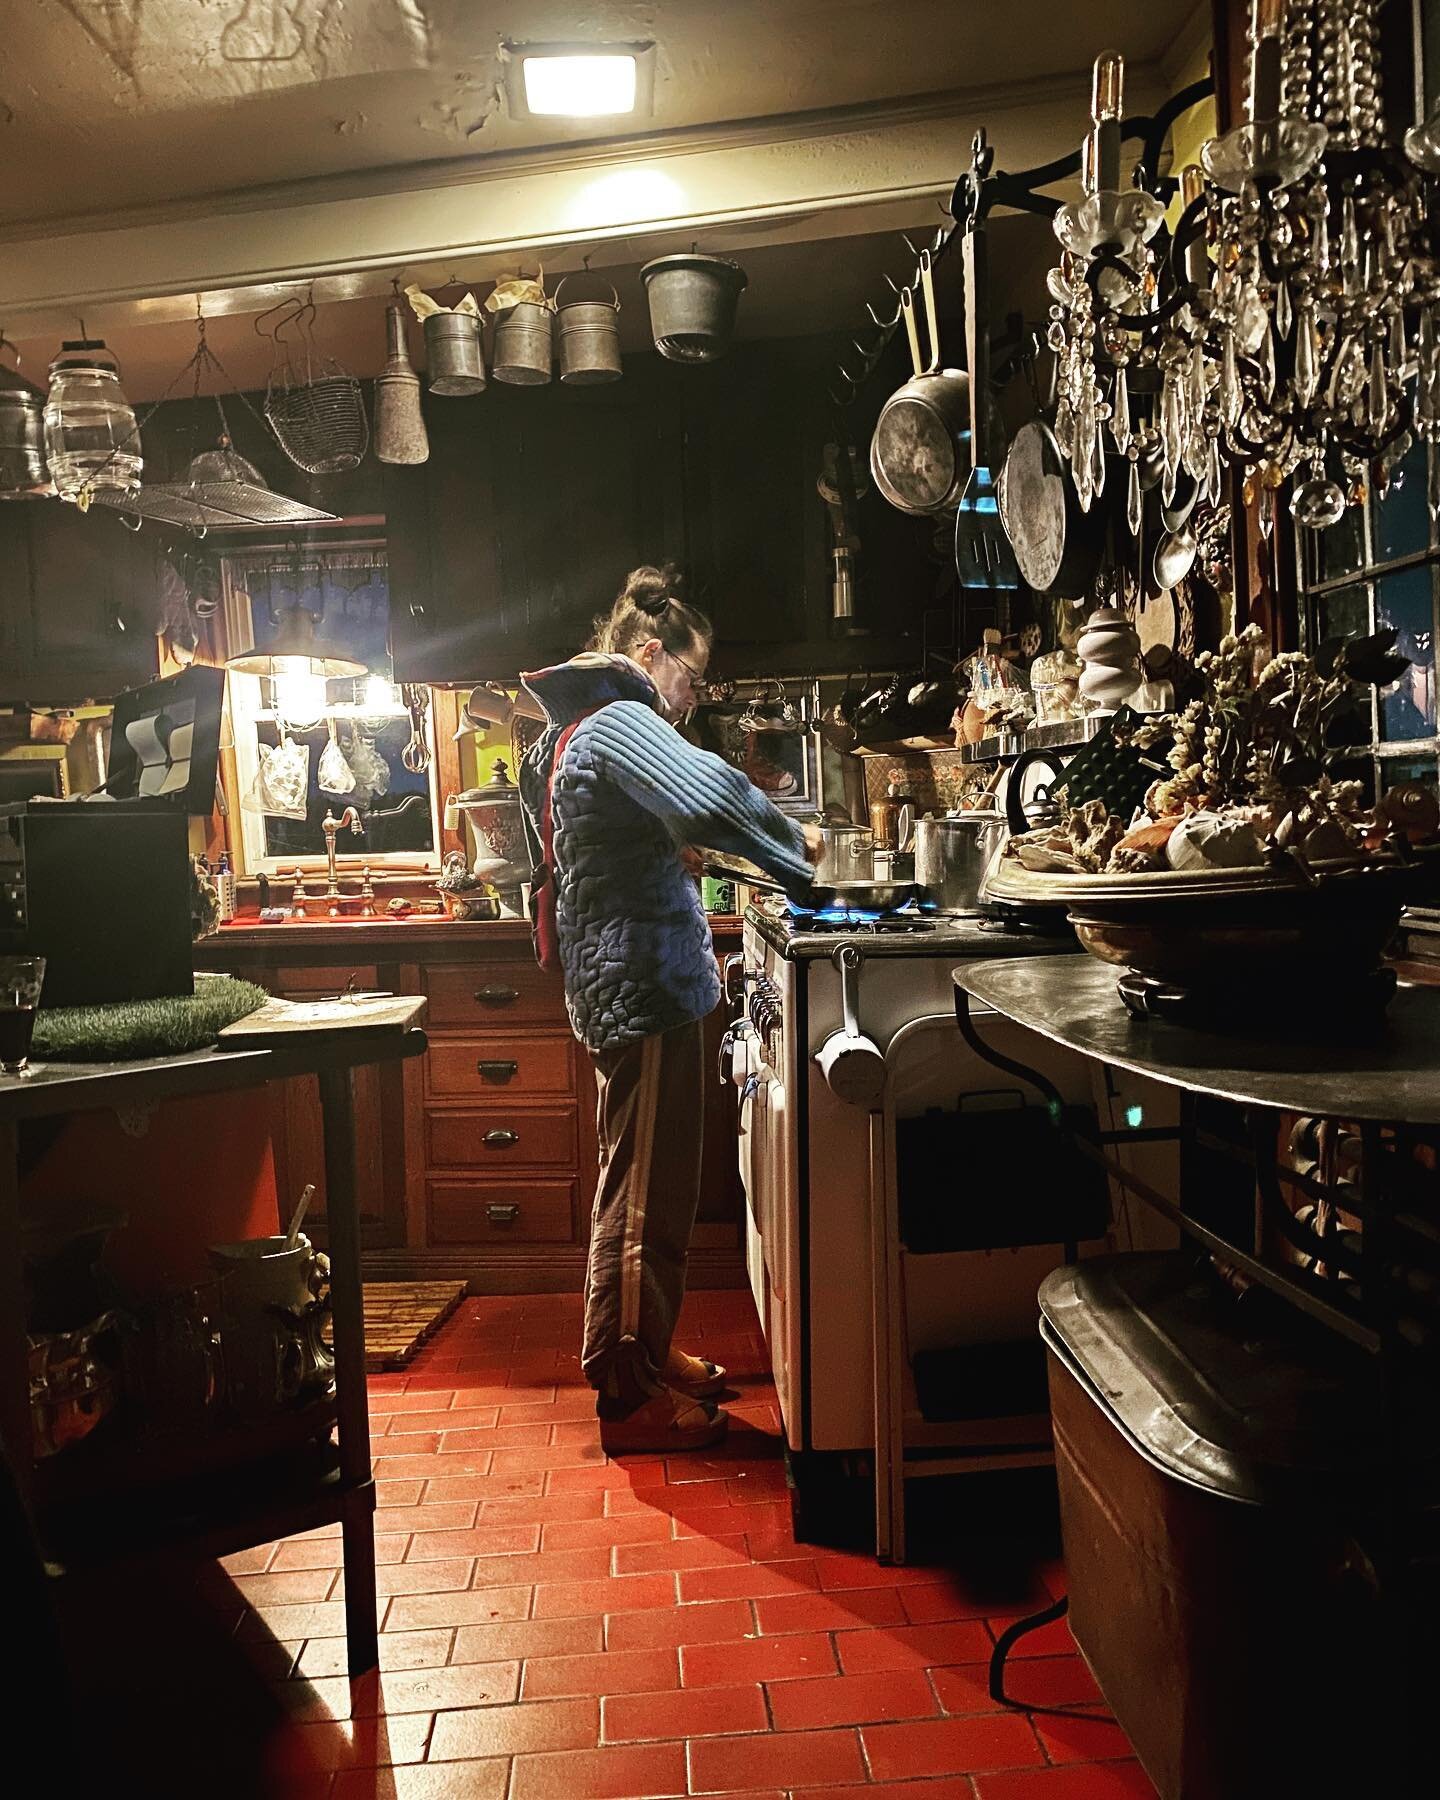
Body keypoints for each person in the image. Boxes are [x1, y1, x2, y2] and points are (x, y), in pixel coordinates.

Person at [519, 566, 821, 1453]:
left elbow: (618, 845)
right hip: (643, 988)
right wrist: (810, 858)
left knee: (655, 1183)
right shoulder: (618, 719)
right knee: (644, 1197)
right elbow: (709, 797)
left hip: (634, 982)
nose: (688, 704)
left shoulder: (572, 729)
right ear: (649, 654)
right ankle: (627, 1394)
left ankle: (642, 1352)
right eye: (690, 679)